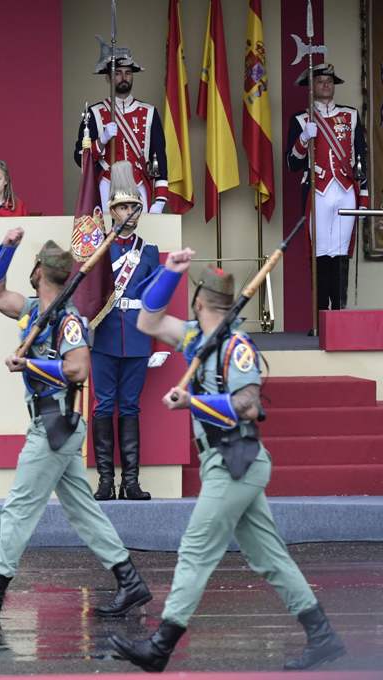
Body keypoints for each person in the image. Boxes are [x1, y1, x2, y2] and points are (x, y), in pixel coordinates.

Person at [110, 255, 346, 673]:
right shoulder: (194, 337)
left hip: (235, 458)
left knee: (196, 548)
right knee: (271, 558)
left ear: (200, 300)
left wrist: (194, 402)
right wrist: (170, 274)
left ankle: (161, 646)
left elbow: (249, 405)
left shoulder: (236, 347)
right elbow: (147, 320)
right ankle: (323, 638)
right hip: (224, 461)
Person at [0, 233, 151, 620]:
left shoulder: (68, 320)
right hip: (49, 420)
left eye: (33, 264)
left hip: (56, 421)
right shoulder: (33, 309)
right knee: (82, 510)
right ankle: (129, 581)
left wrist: (31, 365)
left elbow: (79, 368)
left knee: (20, 505)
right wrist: (5, 249)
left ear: (39, 270)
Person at [91, 161, 160, 501]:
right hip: (104, 335)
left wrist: (156, 340)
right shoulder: (99, 246)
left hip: (136, 335)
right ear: (111, 211)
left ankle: (130, 482)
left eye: (133, 206)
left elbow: (155, 299)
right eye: (122, 207)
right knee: (104, 405)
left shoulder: (148, 252)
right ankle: (105, 481)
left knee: (130, 406)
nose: (128, 212)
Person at [286, 62, 368, 312]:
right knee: (321, 253)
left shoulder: (350, 115)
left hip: (345, 190)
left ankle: (339, 313)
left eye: (329, 81)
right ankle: (322, 315)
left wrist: (363, 196)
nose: (326, 85)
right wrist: (303, 139)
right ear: (311, 86)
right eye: (320, 81)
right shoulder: (301, 120)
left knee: (342, 252)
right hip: (318, 190)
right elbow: (293, 163)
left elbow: (361, 158)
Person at [74, 54, 168, 214]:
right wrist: (101, 141)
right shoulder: (94, 113)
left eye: (128, 73)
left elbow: (159, 156)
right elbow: (80, 158)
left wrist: (160, 199)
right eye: (117, 73)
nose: (123, 77)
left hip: (139, 185)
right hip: (105, 185)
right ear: (108, 78)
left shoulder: (149, 112)